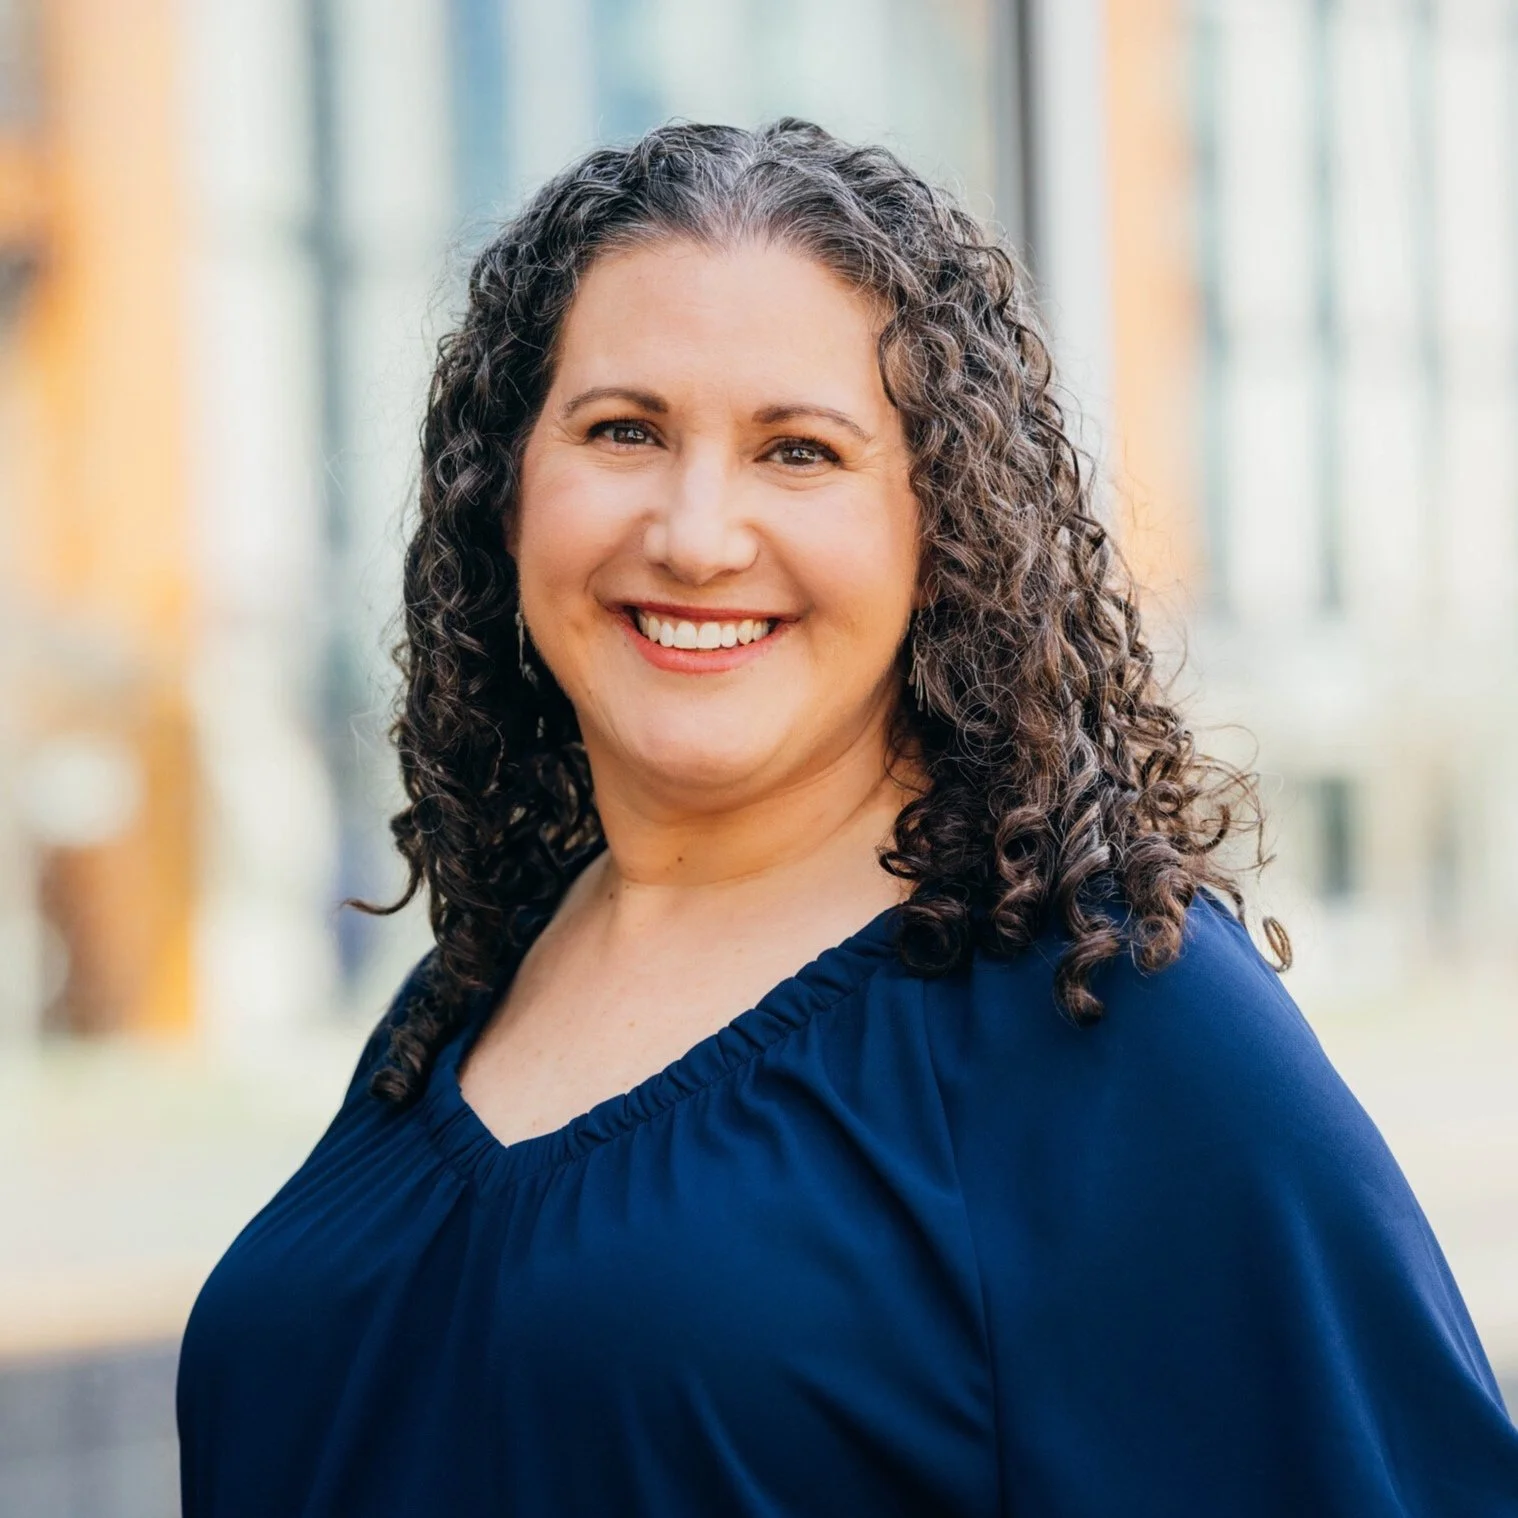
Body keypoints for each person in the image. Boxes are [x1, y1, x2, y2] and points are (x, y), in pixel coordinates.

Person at [175, 119, 1518, 1516]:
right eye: (623, 430)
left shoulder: (1105, 1014)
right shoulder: (471, 986)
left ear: (939, 528)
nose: (695, 532)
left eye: (798, 452)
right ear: (506, 490)